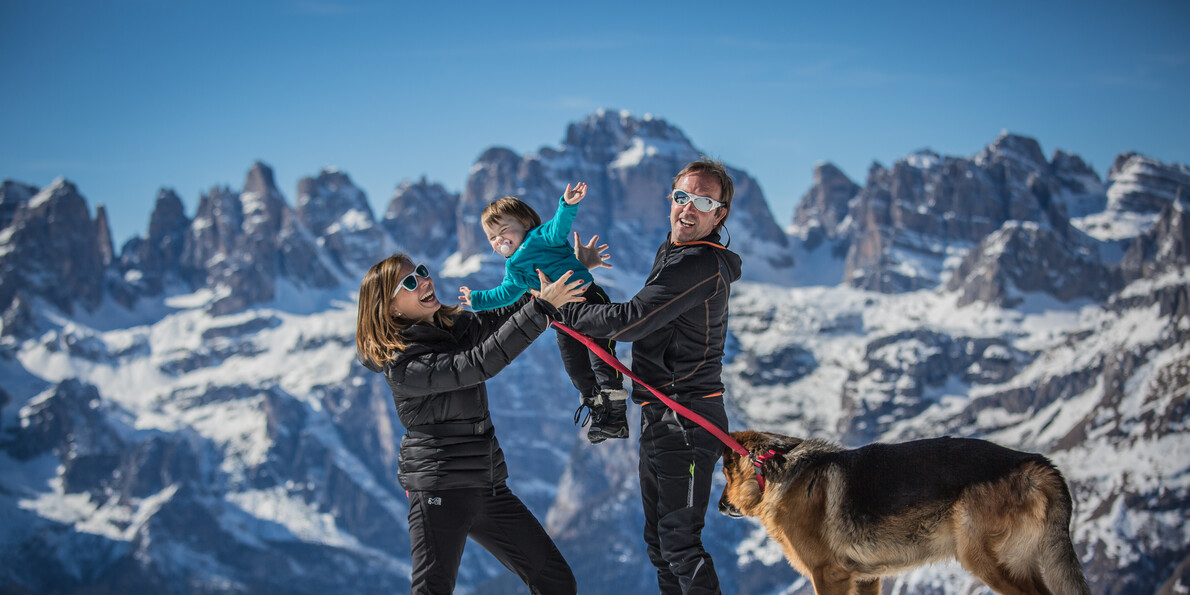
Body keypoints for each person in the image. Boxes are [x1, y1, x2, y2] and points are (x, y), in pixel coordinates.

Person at [559, 160, 742, 594]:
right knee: (661, 546)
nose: (688, 209)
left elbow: (630, 323)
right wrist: (580, 277)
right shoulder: (674, 252)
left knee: (679, 545)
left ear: (720, 215)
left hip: (689, 419)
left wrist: (564, 308)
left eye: (703, 201)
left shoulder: (698, 263)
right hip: (662, 417)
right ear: (670, 202)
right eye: (681, 197)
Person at [356, 253, 586, 594]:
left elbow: (500, 317)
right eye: (409, 282)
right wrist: (542, 310)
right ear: (391, 310)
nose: (424, 280)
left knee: (556, 582)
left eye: (421, 271)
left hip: (488, 486)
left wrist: (564, 273)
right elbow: (476, 365)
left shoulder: (451, 330)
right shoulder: (403, 365)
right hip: (438, 489)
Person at [459, 183, 629, 444]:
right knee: (574, 365)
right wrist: (476, 299)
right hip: (562, 318)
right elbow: (505, 294)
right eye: (492, 238)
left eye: (504, 231)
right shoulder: (514, 269)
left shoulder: (539, 237)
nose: (499, 240)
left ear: (524, 223)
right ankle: (598, 412)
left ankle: (615, 414)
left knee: (600, 355)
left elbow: (559, 226)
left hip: (587, 300)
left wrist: (567, 204)